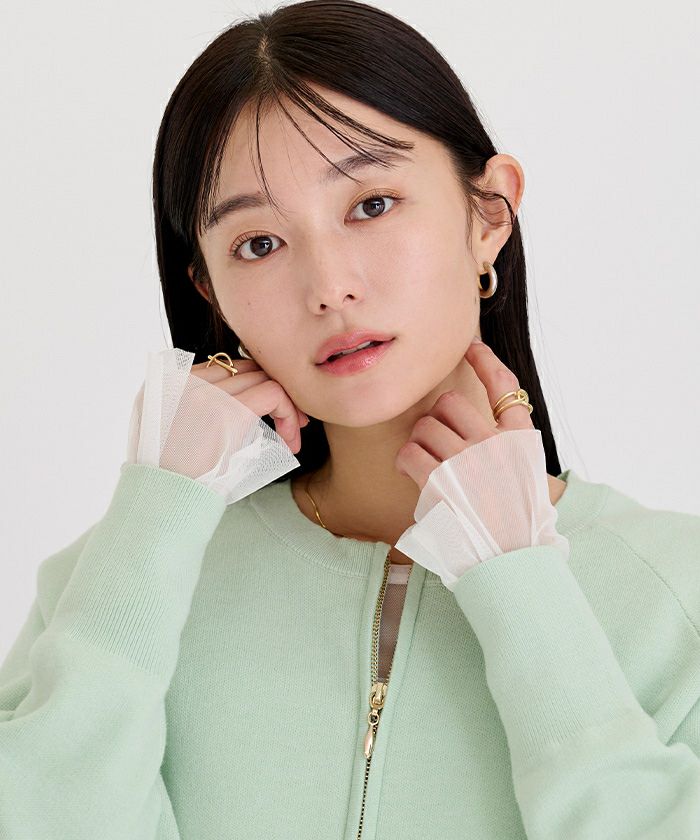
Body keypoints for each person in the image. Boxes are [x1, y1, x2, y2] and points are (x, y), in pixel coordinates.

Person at [2, 1, 699, 838]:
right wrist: (154, 517)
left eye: (371, 204)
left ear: (490, 213)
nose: (329, 286)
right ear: (211, 290)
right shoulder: (121, 582)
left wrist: (522, 584)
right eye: (259, 244)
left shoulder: (677, 592)